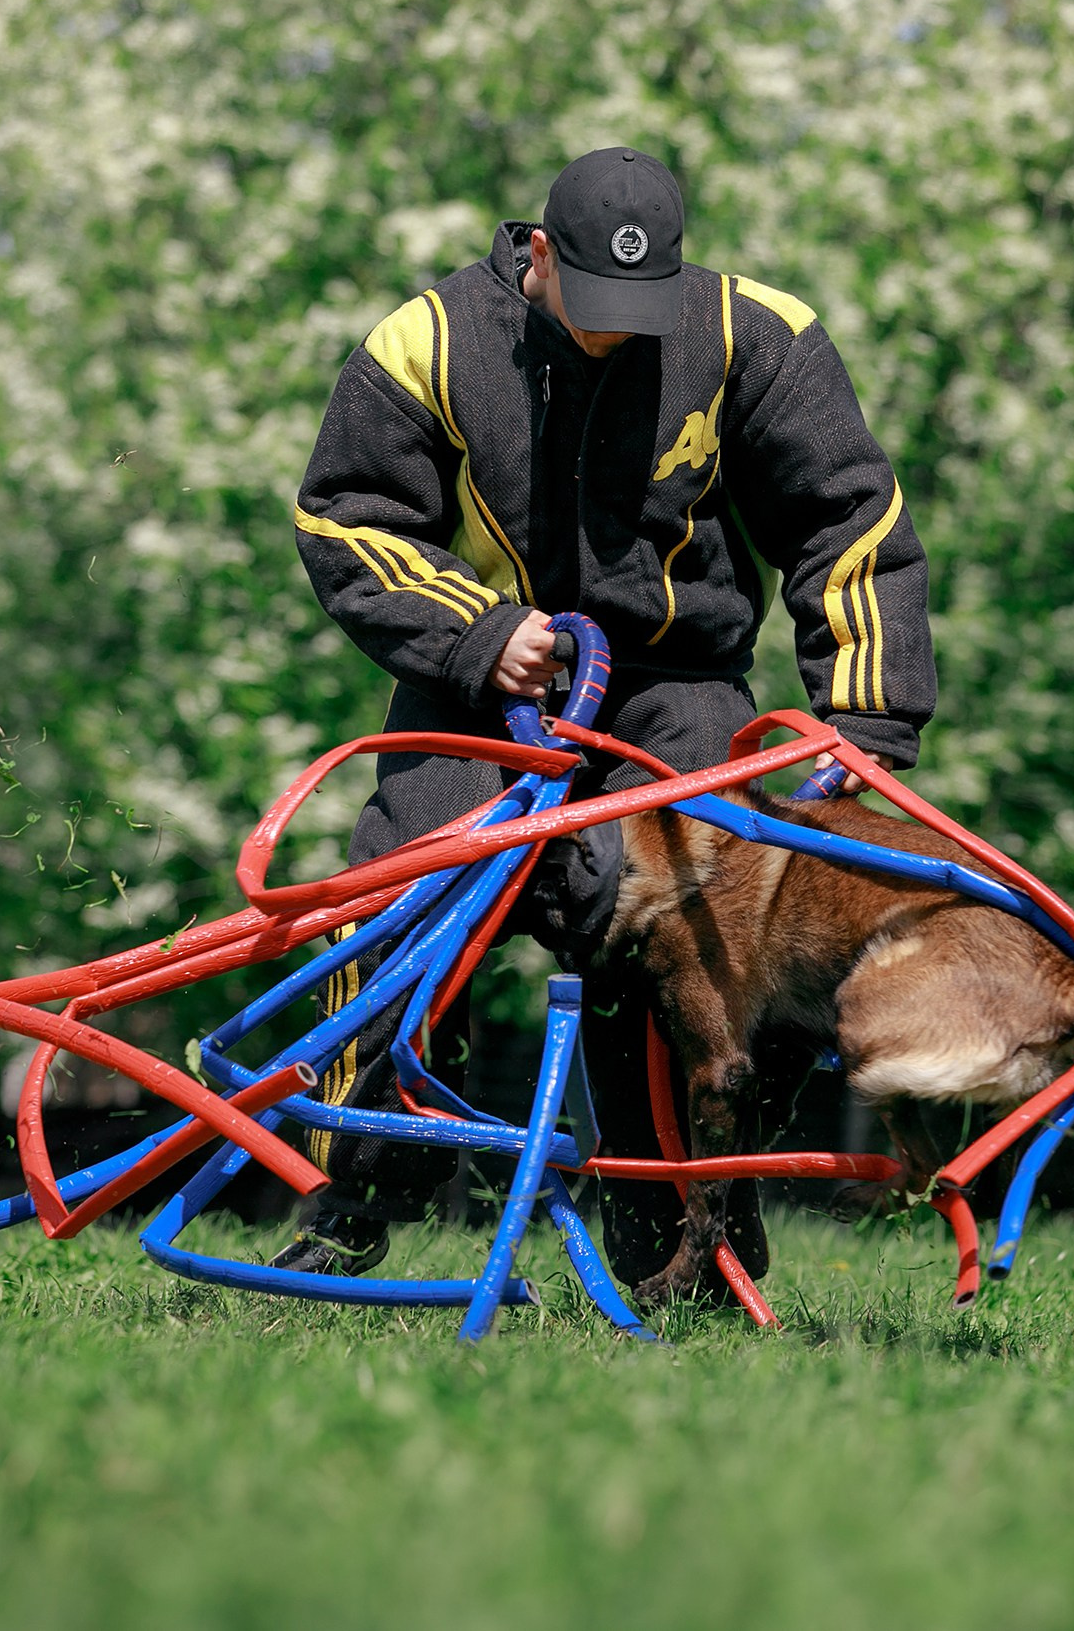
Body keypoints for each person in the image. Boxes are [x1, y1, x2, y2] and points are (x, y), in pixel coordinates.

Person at [277, 146, 936, 1292]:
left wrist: (866, 728)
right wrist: (481, 636)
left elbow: (850, 525)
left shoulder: (754, 335)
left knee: (688, 923)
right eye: (591, 305)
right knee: (395, 892)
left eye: (642, 310)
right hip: (481, 680)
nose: (613, 333)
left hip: (679, 683)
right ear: (536, 257)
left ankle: (682, 1225)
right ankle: (353, 1197)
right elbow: (343, 520)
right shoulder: (422, 345)